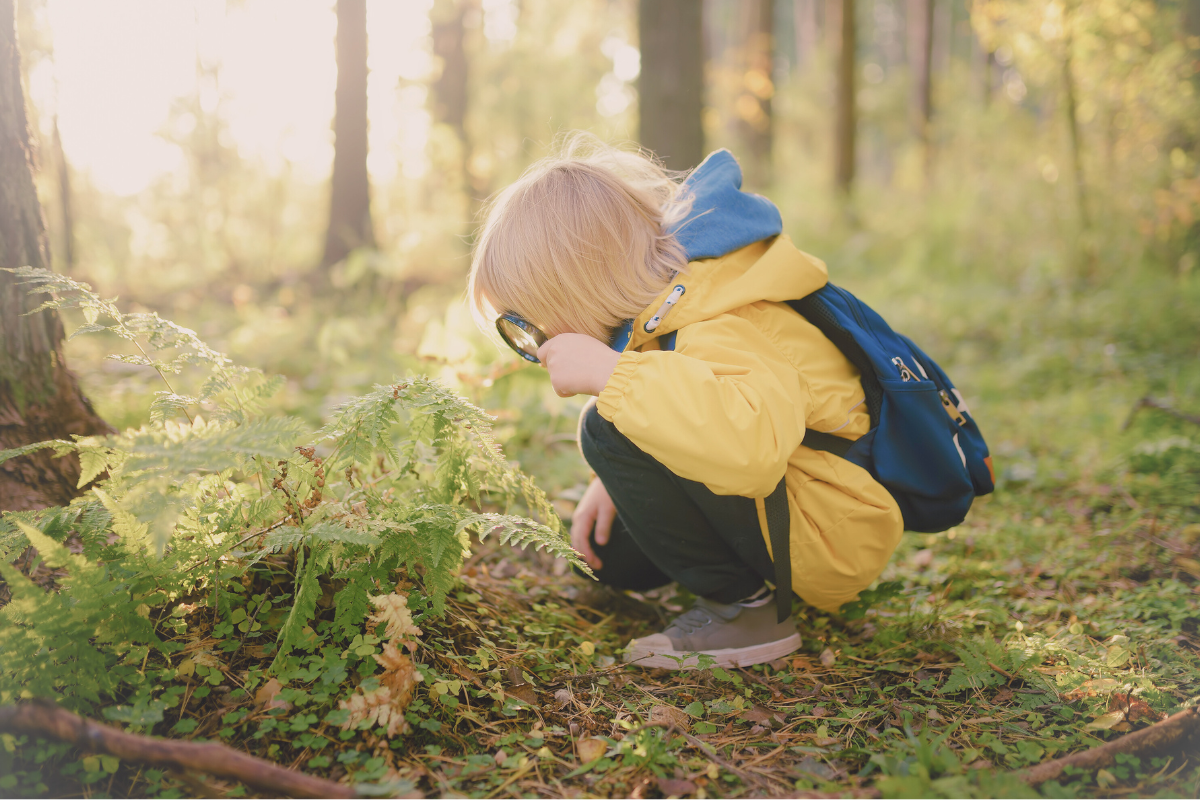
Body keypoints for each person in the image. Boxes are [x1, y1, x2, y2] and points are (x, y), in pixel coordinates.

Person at [467, 135, 903, 668]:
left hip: (828, 528)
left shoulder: (722, 315)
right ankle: (721, 581)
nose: (530, 343)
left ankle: (747, 614)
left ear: (576, 290)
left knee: (602, 425)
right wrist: (614, 478)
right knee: (612, 557)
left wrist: (612, 379)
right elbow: (687, 397)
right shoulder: (665, 309)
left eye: (525, 323)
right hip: (793, 506)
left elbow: (751, 448)